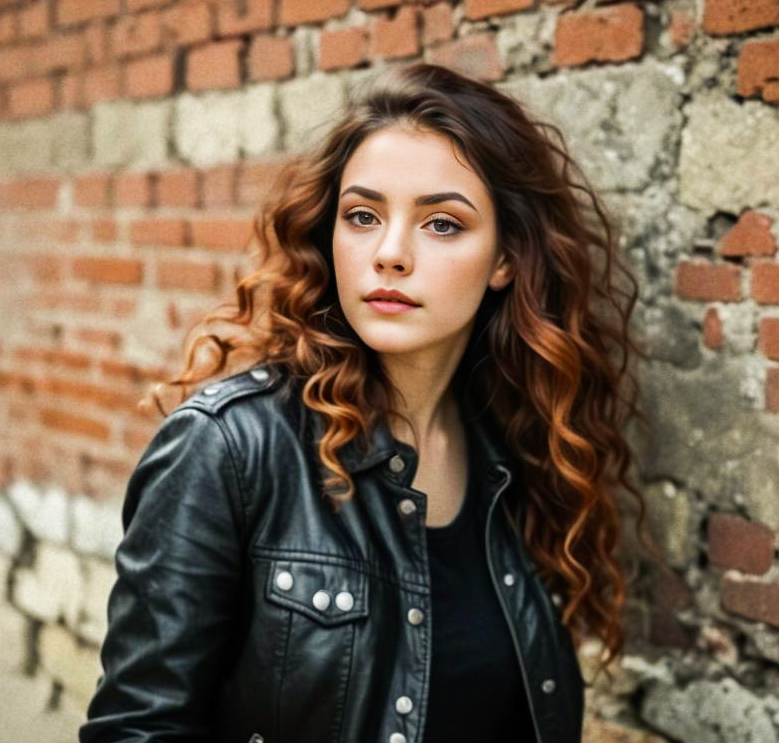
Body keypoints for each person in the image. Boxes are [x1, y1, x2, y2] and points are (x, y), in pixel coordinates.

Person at [79, 61, 641, 743]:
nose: (389, 253)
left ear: (505, 260)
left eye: (441, 223)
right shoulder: (230, 446)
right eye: (362, 216)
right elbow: (138, 728)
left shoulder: (516, 448)